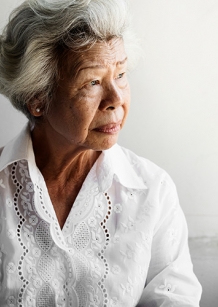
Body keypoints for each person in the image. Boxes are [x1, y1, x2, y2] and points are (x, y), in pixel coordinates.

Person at [0, 0, 202, 306]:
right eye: (93, 82)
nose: (116, 99)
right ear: (37, 99)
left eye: (120, 74)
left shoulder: (153, 191)